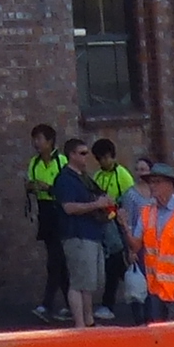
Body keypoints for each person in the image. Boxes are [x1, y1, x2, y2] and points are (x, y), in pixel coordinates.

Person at [121, 161, 174, 323]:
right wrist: (125, 226)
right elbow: (136, 246)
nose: (152, 186)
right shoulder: (146, 213)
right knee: (159, 338)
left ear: (169, 185)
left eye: (157, 182)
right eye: (151, 182)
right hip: (156, 291)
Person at [51, 135, 113, 328]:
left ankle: (89, 322)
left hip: (92, 234)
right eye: (83, 153)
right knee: (78, 282)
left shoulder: (84, 177)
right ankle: (80, 325)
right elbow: (68, 207)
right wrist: (96, 204)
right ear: (71, 155)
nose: (87, 157)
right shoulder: (65, 179)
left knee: (90, 282)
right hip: (76, 235)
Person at [88, 137, 136, 319]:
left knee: (116, 263)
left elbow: (130, 201)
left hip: (119, 224)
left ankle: (113, 302)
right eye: (101, 158)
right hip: (105, 225)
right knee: (113, 264)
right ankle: (130, 297)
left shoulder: (122, 175)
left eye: (108, 157)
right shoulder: (98, 176)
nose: (105, 161)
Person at [23, 123, 66, 320]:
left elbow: (65, 188)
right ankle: (70, 304)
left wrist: (47, 187)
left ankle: (47, 304)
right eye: (35, 139)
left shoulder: (62, 161)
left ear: (50, 142)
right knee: (59, 259)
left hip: (60, 210)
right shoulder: (34, 163)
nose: (36, 143)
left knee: (55, 259)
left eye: (39, 139)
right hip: (45, 211)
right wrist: (32, 186)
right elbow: (29, 185)